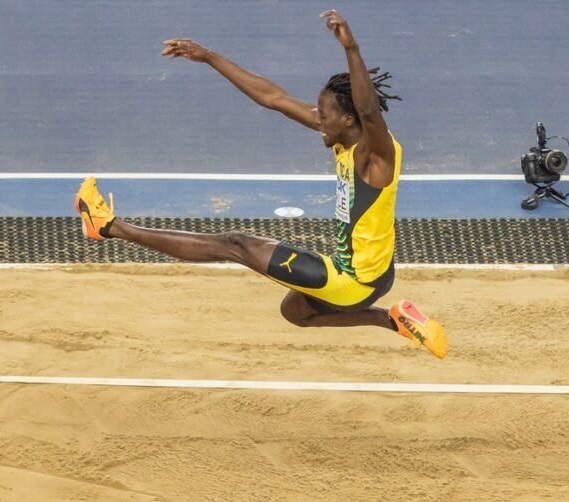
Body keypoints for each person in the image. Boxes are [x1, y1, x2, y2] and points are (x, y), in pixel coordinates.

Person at [74, 9, 446, 359]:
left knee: (235, 244)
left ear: (349, 119)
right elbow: (274, 98)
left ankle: (108, 227)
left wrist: (351, 47)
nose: (318, 120)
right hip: (368, 277)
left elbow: (369, 110)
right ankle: (392, 319)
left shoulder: (375, 156)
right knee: (296, 312)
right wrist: (209, 57)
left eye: (326, 115)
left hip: (355, 282)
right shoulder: (346, 139)